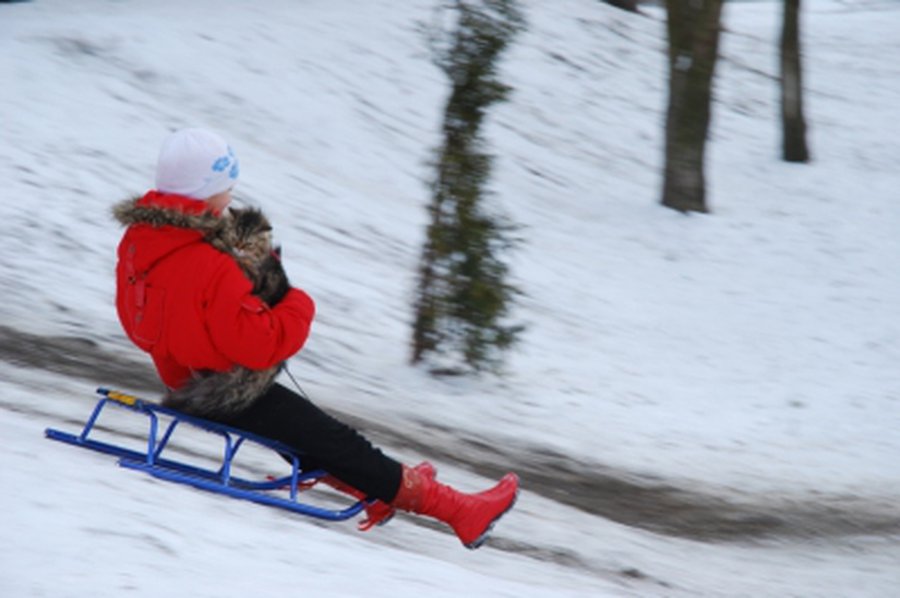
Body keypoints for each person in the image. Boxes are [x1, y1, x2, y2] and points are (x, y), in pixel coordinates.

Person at [112, 127, 519, 549]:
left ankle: (373, 489)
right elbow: (259, 345)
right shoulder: (211, 263)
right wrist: (298, 305)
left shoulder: (141, 241)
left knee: (304, 428)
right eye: (225, 188)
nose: (231, 197)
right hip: (220, 390)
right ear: (204, 192)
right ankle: (459, 511)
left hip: (184, 377)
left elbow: (136, 318)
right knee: (339, 441)